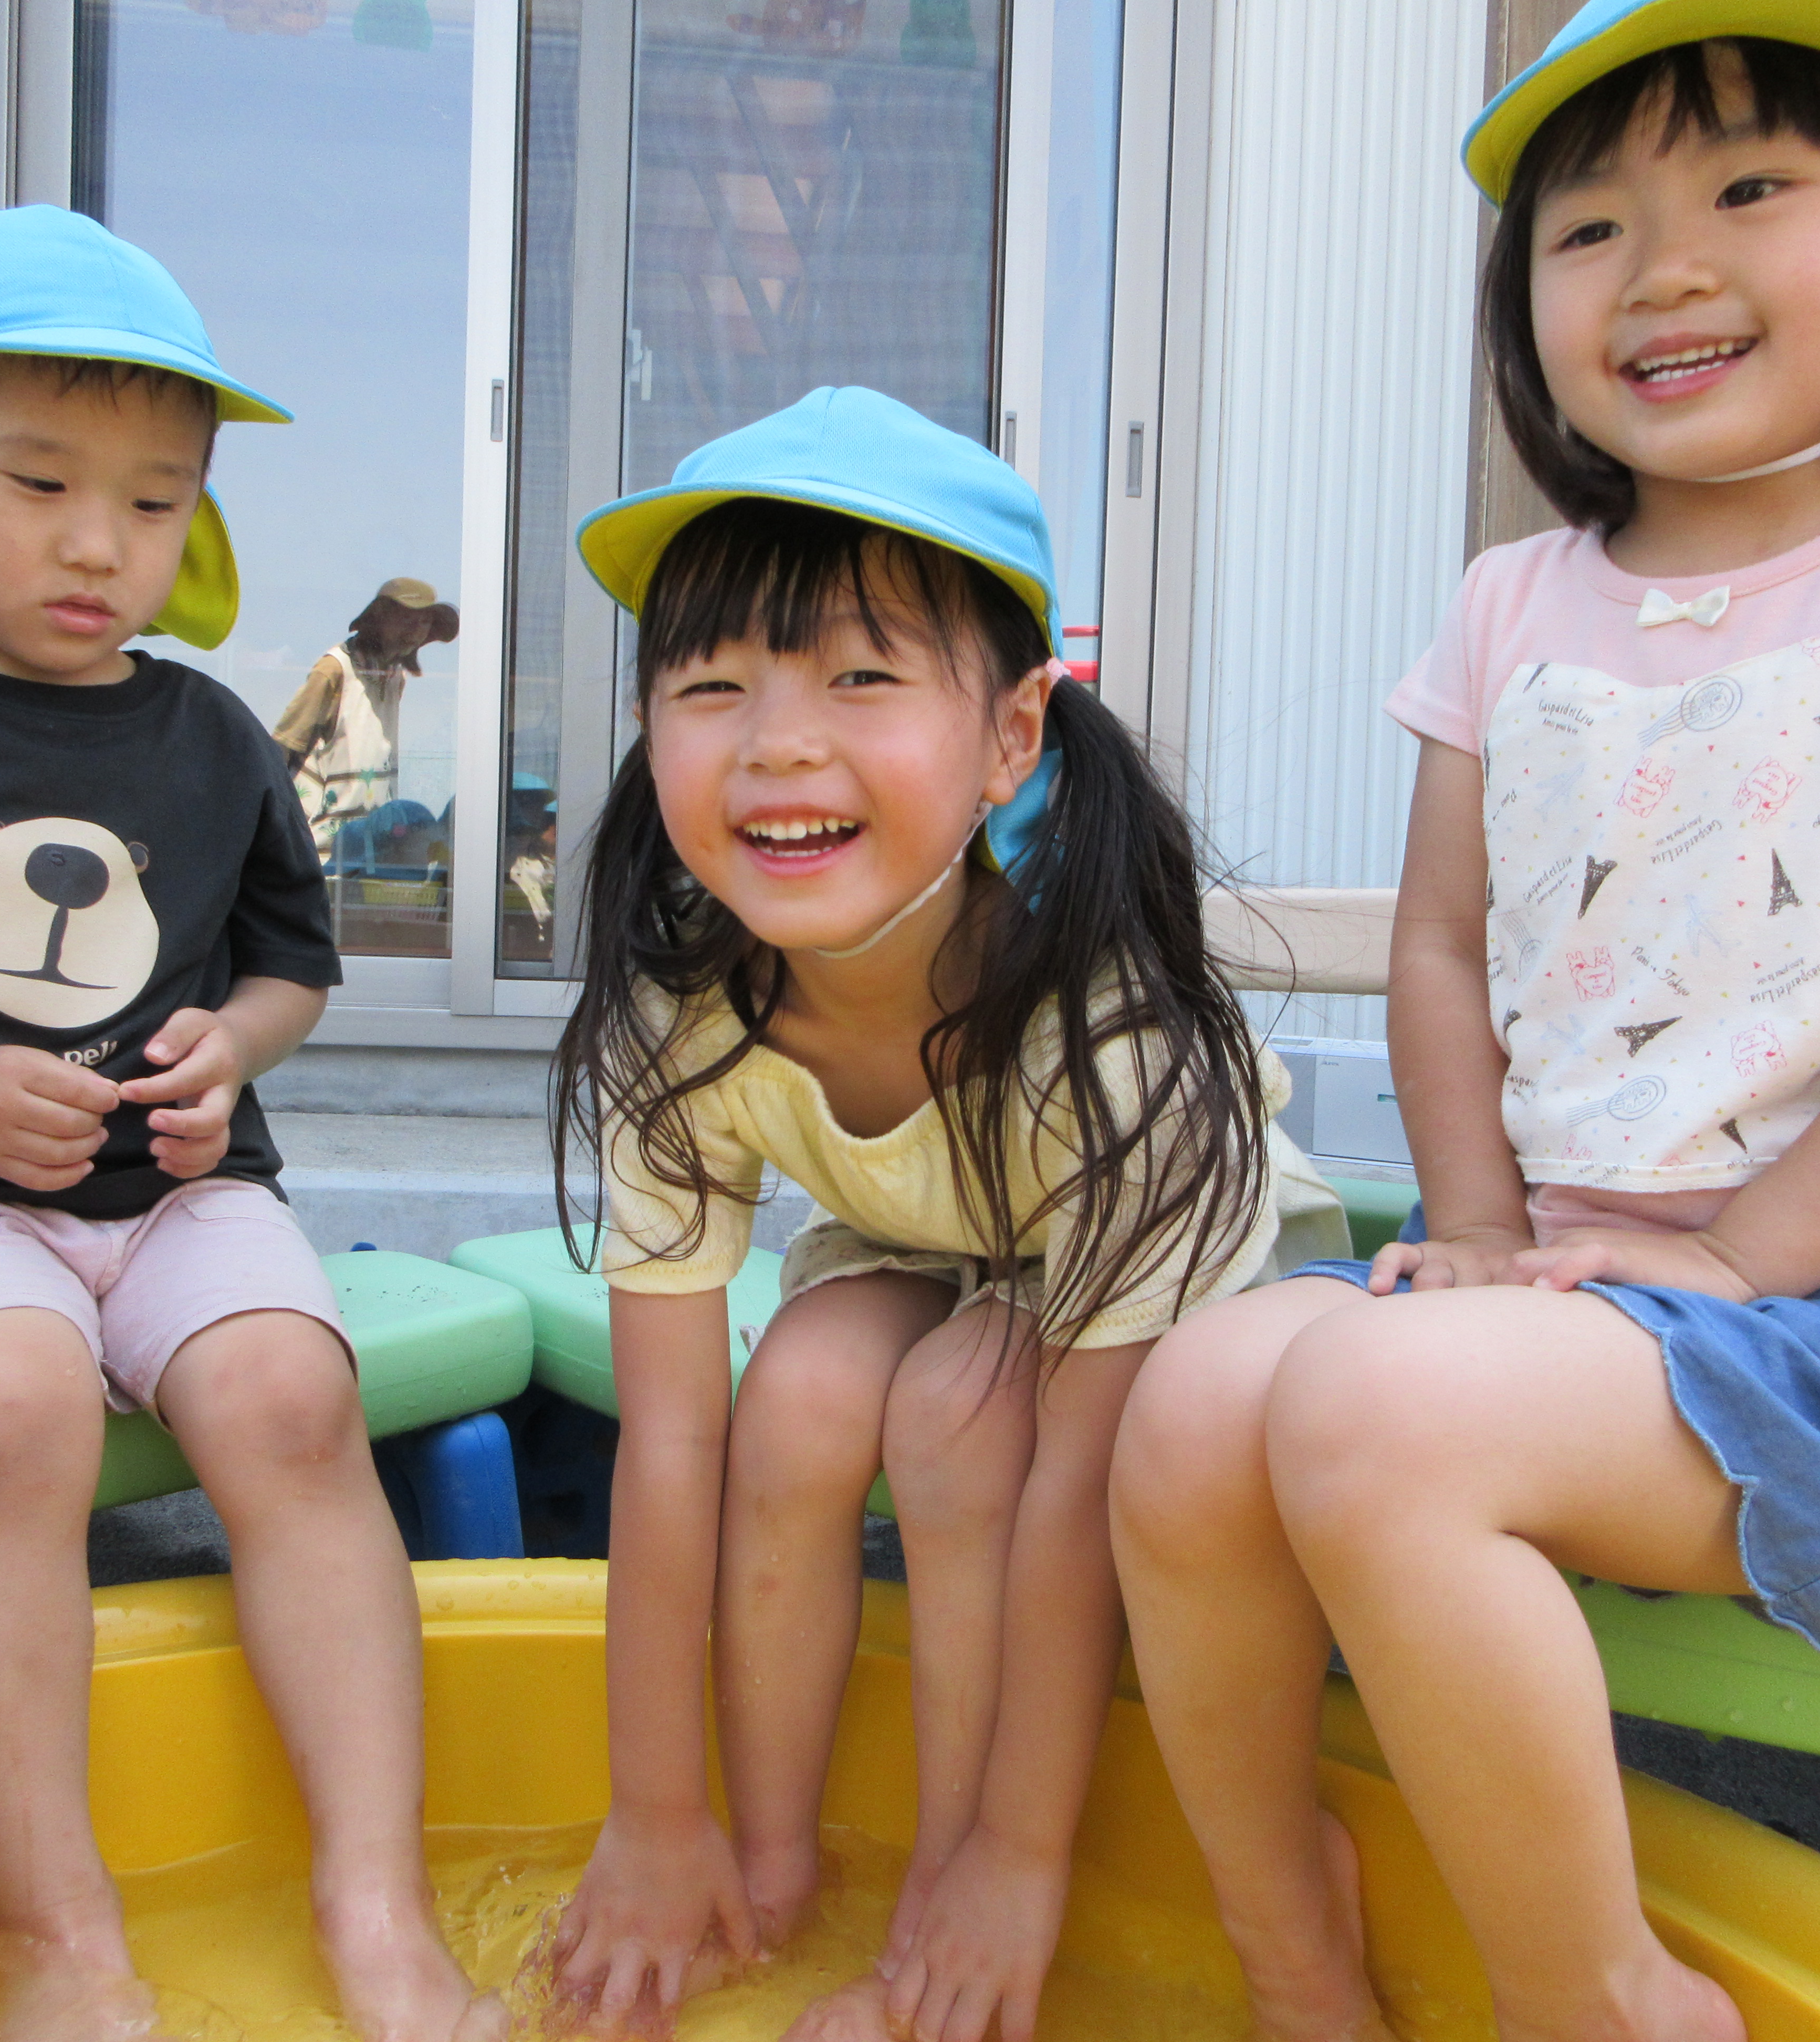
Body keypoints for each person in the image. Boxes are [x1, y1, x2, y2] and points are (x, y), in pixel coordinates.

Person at [1107, 7, 1820, 2040]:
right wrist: (1472, 1225)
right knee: (1185, 1409)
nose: (1663, 266)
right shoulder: (1509, 606)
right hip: (1559, 1300)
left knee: (1366, 1414)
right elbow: (1442, 948)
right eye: (1589, 228)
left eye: (1751, 188)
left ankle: (1603, 1998)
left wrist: (1735, 1259)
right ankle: (1296, 1958)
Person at [0, 207, 500, 2042]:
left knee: (292, 1396)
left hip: (175, 1188)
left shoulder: (208, 737)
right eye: (40, 482)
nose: (98, 542)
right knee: (10, 1404)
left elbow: (289, 967)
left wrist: (230, 1046)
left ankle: (375, 1894)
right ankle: (52, 1932)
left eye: (154, 501)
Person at [549, 386, 1345, 2042]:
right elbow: (670, 1440)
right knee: (799, 1393)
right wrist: (654, 1814)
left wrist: (1018, 1860)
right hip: (936, 1232)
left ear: (1011, 736)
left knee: (966, 1418)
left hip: (1192, 1270)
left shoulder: (1109, 1049)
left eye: (861, 676)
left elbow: (1077, 1485)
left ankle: (946, 1897)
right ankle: (771, 1874)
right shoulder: (681, 1015)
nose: (778, 743)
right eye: (712, 686)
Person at [273, 575, 459, 865]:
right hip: (321, 852)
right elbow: (282, 748)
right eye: (406, 619)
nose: (416, 632)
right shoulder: (336, 669)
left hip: (375, 848)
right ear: (378, 618)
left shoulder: (394, 676)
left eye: (425, 622)